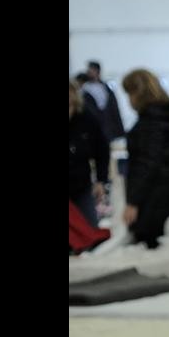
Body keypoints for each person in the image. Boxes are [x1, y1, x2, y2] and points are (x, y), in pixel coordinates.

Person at [119, 69, 169, 250]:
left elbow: (147, 163)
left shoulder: (151, 122)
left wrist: (133, 201)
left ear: (138, 93)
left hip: (153, 194)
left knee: (149, 243)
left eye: (129, 94)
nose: (128, 100)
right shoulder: (167, 117)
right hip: (167, 187)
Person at [69, 78, 111, 228]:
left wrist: (101, 180)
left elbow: (102, 150)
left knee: (89, 229)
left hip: (81, 185)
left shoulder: (87, 118)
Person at [84, 60, 127, 140]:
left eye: (92, 70)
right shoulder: (85, 89)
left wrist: (120, 130)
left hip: (109, 127)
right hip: (94, 127)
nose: (90, 72)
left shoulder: (106, 88)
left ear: (98, 71)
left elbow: (114, 109)